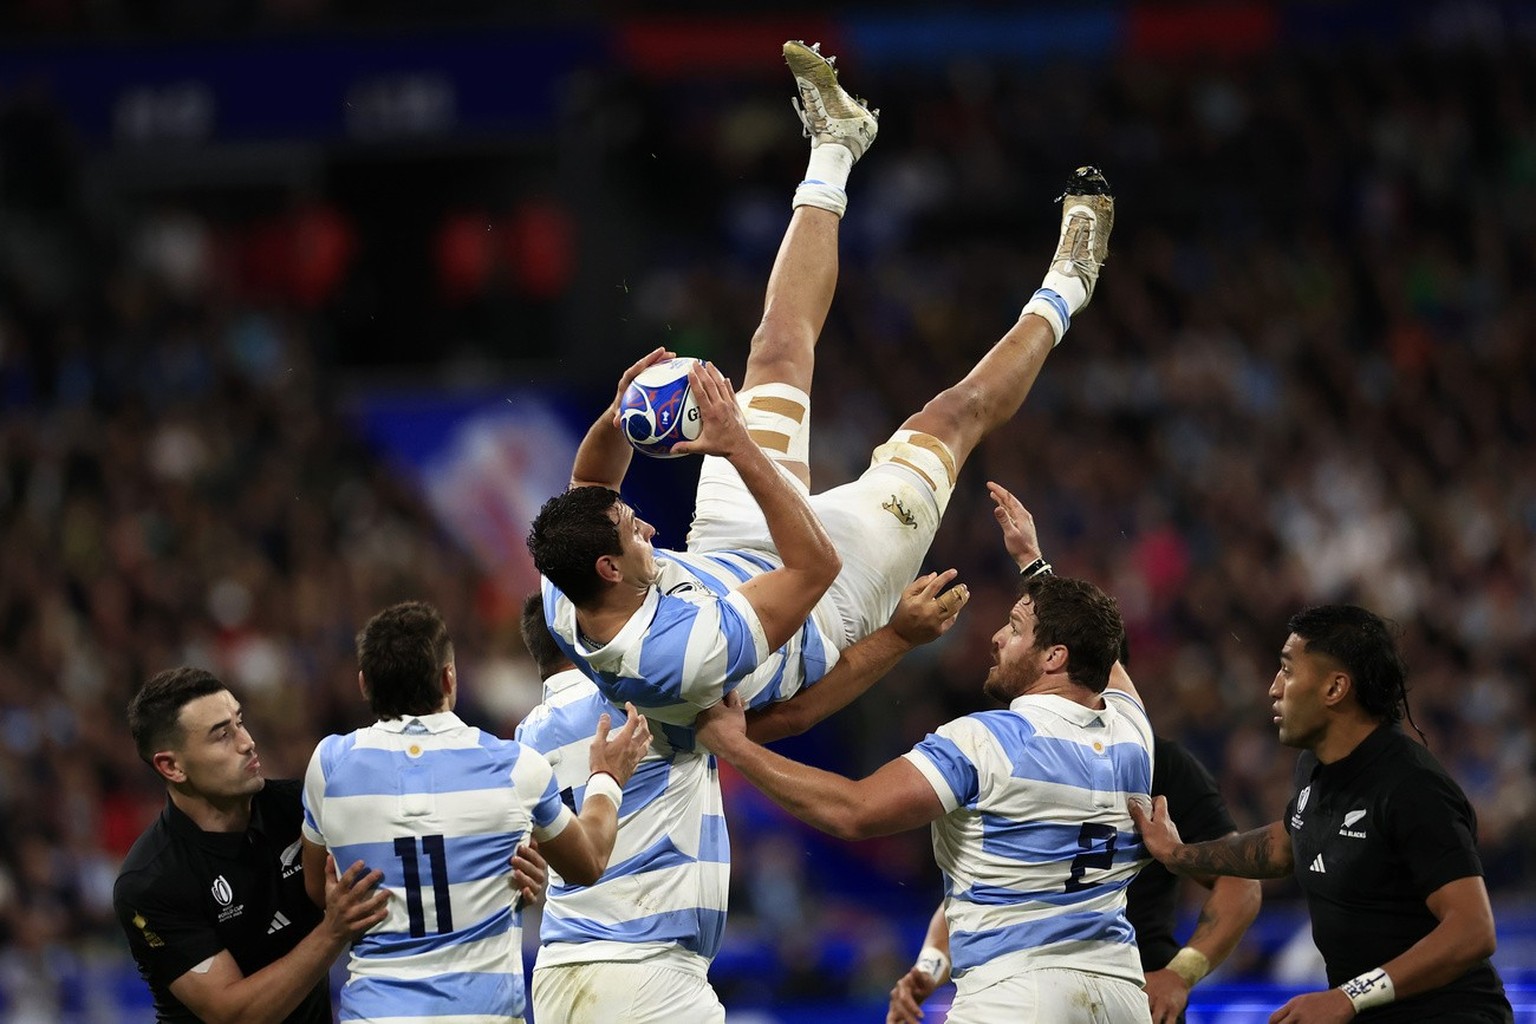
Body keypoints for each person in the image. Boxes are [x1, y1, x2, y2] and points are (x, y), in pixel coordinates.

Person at [526, 39, 1114, 747]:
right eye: (633, 532)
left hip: (730, 545)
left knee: (773, 347)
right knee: (950, 417)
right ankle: (1072, 283)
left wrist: (621, 412)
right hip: (826, 598)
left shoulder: (567, 592)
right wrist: (740, 449)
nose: (649, 526)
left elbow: (589, 480)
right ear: (609, 568)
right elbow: (811, 567)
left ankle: (836, 141)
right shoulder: (681, 659)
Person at [697, 481, 1154, 1024]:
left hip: (1016, 995)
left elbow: (854, 811)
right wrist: (1034, 565)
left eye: (1014, 629)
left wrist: (735, 747)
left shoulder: (986, 743)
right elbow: (1099, 651)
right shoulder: (1133, 734)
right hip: (1122, 995)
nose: (997, 639)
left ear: (1054, 656)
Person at [515, 566, 968, 1024]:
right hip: (645, 973)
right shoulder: (642, 702)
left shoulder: (525, 738)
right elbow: (796, 715)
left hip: (558, 975)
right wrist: (898, 637)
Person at [1131, 605, 1514, 1023]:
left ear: (1335, 688)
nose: (1274, 689)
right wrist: (1177, 854)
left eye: (1287, 671)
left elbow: (1473, 929)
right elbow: (1283, 845)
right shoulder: (1316, 766)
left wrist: (1349, 996)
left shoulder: (1412, 786)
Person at [298, 601, 652, 1024]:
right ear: (448, 678)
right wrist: (607, 778)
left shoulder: (329, 764)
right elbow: (589, 862)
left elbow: (322, 889)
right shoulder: (514, 766)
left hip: (375, 1014)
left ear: (363, 685)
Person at [887, 735, 1264, 1024]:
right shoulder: (1014, 757)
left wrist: (1180, 975)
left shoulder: (1156, 762)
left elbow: (1240, 883)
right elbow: (977, 889)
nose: (998, 643)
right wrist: (929, 967)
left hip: (1133, 993)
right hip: (1028, 997)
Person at [113, 667, 391, 1024]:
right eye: (221, 735)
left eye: (239, 721)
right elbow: (234, 1016)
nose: (247, 742)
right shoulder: (151, 881)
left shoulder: (301, 809)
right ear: (171, 766)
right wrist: (333, 930)